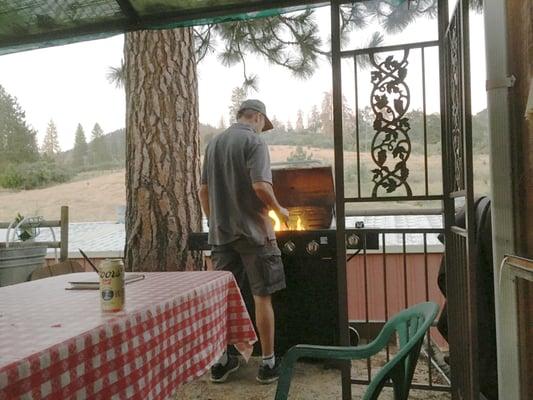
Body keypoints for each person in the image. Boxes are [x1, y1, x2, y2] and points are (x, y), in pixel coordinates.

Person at [199, 99, 290, 384]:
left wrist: (215, 222)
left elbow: (203, 191)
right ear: (258, 118)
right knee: (262, 296)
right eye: (264, 125)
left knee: (226, 300)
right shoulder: (254, 142)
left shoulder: (213, 145)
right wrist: (279, 210)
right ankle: (268, 363)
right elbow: (261, 185)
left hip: (222, 236)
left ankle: (224, 360)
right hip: (255, 234)